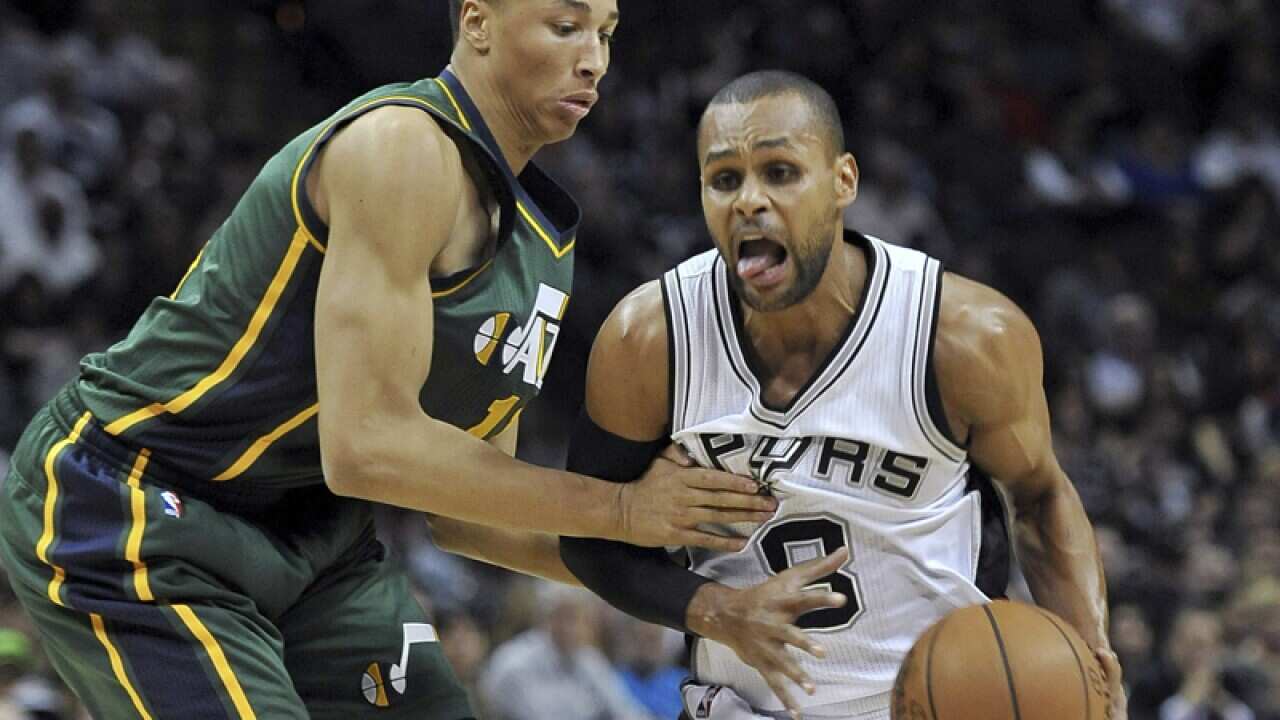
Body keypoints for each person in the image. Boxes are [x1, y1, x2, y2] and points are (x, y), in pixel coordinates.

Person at [0, 2, 777, 718]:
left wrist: (701, 586)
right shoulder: (401, 147)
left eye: (606, 32)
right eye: (566, 26)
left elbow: (473, 512)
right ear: (478, 21)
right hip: (142, 494)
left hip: (313, 535)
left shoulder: (541, 244)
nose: (594, 60)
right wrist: (620, 509)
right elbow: (366, 446)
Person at [560, 70, 1127, 720]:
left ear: (843, 182)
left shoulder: (963, 338)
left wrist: (1090, 645)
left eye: (780, 172)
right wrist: (718, 610)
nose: (749, 200)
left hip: (932, 700)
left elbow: (1040, 495)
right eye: (725, 180)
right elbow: (590, 535)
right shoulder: (650, 342)